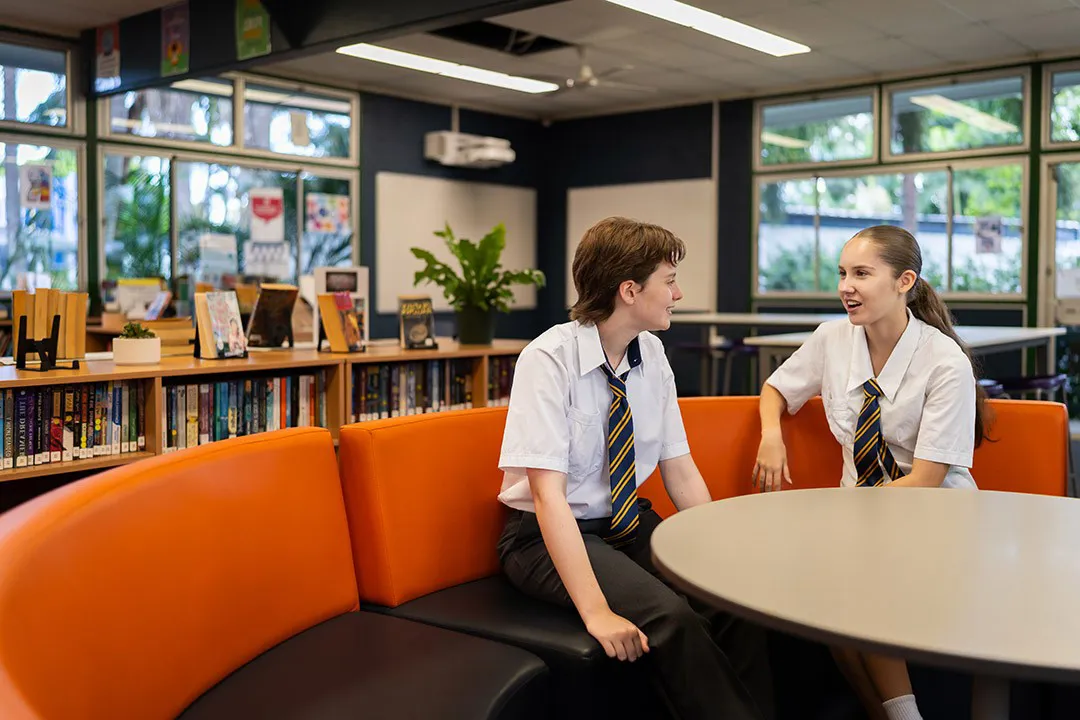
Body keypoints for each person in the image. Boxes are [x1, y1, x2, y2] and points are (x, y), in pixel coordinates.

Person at [496, 216, 775, 720]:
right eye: (669, 281)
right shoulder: (548, 359)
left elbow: (680, 468)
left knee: (734, 599)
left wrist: (725, 553)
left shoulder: (653, 354)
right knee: (672, 618)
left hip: (625, 523)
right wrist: (597, 611)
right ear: (629, 290)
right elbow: (547, 498)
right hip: (543, 535)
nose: (678, 293)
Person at [753, 224, 991, 720]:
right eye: (842, 273)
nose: (846, 286)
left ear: (904, 281)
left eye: (862, 273)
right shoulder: (832, 339)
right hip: (860, 509)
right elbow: (777, 388)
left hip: (931, 513)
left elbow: (926, 480)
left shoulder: (944, 360)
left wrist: (843, 520)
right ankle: (893, 714)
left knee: (855, 588)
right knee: (832, 612)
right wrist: (771, 435)